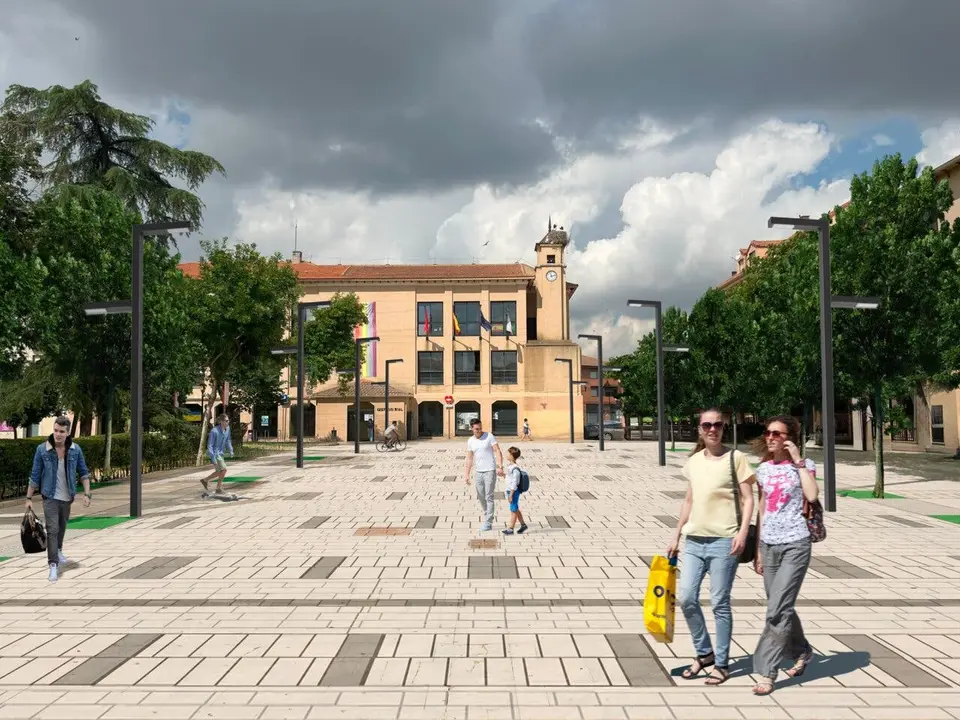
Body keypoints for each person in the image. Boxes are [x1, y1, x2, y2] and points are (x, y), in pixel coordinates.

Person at [667, 408, 756, 686]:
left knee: (719, 603)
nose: (712, 429)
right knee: (687, 598)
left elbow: (748, 499)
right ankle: (704, 652)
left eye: (717, 425)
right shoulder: (694, 461)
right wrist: (676, 535)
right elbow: (689, 500)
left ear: (724, 427)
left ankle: (721, 663)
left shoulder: (735, 458)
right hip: (694, 540)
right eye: (707, 425)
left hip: (724, 542)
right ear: (699, 428)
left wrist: (742, 533)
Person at [750, 415, 819, 696]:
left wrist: (799, 460)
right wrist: (757, 550)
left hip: (795, 543)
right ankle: (803, 651)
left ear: (789, 437)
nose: (770, 438)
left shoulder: (804, 466)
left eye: (777, 434)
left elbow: (812, 496)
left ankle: (767, 672)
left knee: (776, 610)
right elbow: (762, 508)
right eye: (768, 433)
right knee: (781, 606)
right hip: (769, 545)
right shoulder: (763, 469)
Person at [25, 416, 92, 583]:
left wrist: (87, 493)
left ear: (68, 433)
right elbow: (34, 475)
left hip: (67, 496)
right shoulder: (43, 450)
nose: (58, 434)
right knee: (52, 529)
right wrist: (28, 497)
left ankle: (59, 549)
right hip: (49, 496)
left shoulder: (75, 450)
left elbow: (83, 472)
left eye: (62, 431)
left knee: (62, 527)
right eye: (55, 430)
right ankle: (53, 565)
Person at [464, 417, 505, 531]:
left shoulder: (489, 436)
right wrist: (466, 474)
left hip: (490, 471)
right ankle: (488, 514)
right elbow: (469, 458)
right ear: (472, 429)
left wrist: (499, 466)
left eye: (480, 428)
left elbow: (497, 450)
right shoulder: (470, 441)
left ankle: (488, 522)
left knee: (489, 496)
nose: (479, 430)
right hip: (478, 472)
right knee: (481, 496)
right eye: (476, 429)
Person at [201, 414, 233, 495]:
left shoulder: (228, 429)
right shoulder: (214, 431)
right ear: (221, 422)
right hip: (215, 453)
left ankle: (205, 480)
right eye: (226, 421)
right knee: (224, 469)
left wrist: (230, 450)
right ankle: (218, 488)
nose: (228, 422)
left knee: (219, 471)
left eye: (228, 420)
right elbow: (210, 445)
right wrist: (213, 458)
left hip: (221, 453)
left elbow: (228, 440)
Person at [502, 446, 528, 535]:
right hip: (510, 491)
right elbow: (510, 479)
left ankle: (510, 529)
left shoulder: (515, 469)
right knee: (515, 508)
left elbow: (515, 483)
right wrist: (504, 475)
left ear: (512, 456)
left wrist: (511, 495)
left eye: (508, 453)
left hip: (513, 491)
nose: (506, 454)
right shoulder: (510, 466)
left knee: (513, 510)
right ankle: (523, 525)